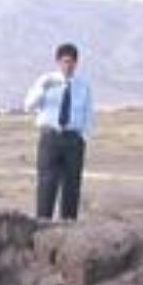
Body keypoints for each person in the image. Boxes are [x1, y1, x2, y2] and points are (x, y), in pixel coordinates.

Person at [24, 42, 95, 221]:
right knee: (47, 183)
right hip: (51, 138)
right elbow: (29, 105)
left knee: (72, 185)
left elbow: (88, 113)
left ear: (76, 63)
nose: (68, 65)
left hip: (73, 140)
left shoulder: (83, 86)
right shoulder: (46, 81)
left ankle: (69, 226)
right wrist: (42, 88)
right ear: (58, 61)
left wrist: (83, 138)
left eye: (71, 62)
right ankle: (42, 225)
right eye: (64, 61)